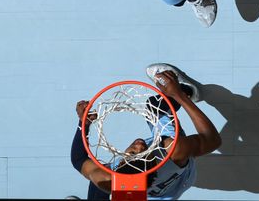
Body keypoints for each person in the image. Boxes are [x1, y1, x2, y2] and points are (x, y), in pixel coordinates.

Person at [71, 65, 220, 199]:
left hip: (163, 194)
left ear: (122, 163)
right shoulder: (173, 151)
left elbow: (78, 160)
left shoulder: (109, 181)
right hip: (183, 173)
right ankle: (188, 90)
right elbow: (212, 139)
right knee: (154, 106)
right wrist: (177, 95)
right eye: (143, 153)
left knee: (97, 186)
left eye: (132, 153)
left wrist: (83, 123)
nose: (139, 145)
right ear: (153, 163)